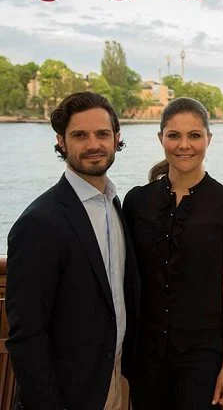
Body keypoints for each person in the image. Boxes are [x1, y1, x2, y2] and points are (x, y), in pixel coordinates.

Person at [5, 91, 140, 410]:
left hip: (117, 378)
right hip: (70, 393)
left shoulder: (115, 205)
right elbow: (26, 335)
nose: (93, 144)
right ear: (61, 141)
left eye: (102, 134)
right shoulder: (40, 223)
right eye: (80, 135)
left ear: (117, 138)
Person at [123, 97, 223, 409]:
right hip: (145, 356)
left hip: (203, 357)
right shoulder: (137, 202)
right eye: (174, 135)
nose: (184, 145)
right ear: (161, 138)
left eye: (194, 135)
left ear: (209, 138)